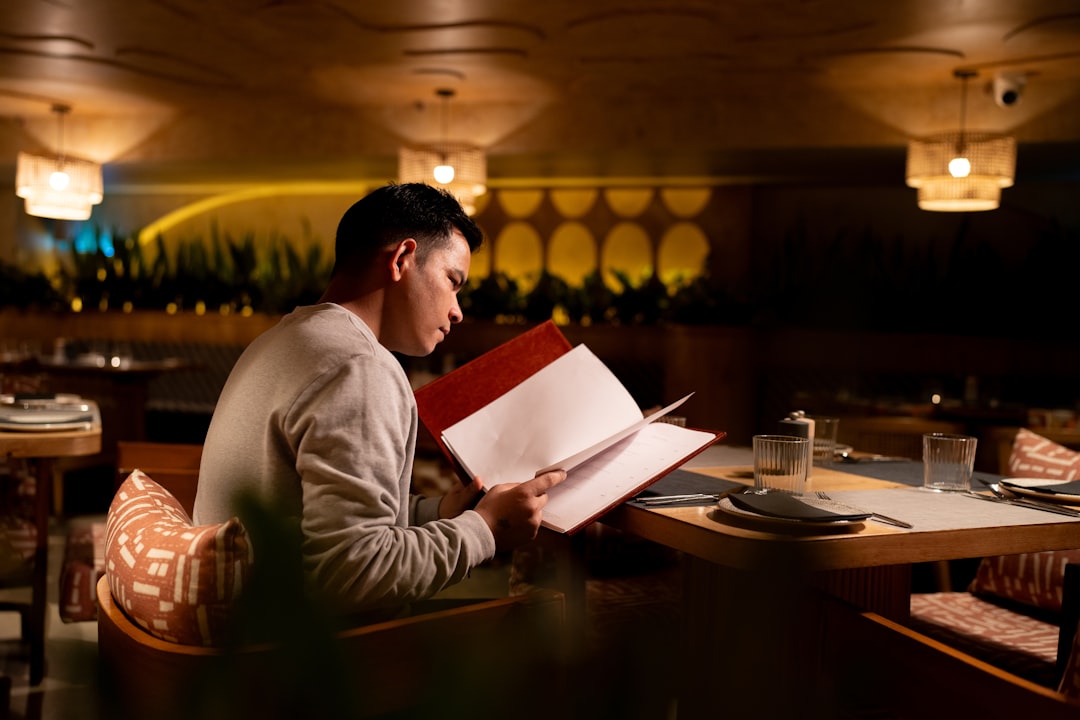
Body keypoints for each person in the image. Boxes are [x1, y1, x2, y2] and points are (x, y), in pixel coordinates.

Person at [193, 182, 566, 620]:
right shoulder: (359, 366)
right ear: (402, 259)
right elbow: (353, 571)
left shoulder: (280, 341)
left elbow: (326, 519)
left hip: (242, 625)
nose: (457, 310)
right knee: (550, 624)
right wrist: (487, 528)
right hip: (300, 658)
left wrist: (442, 512)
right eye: (453, 282)